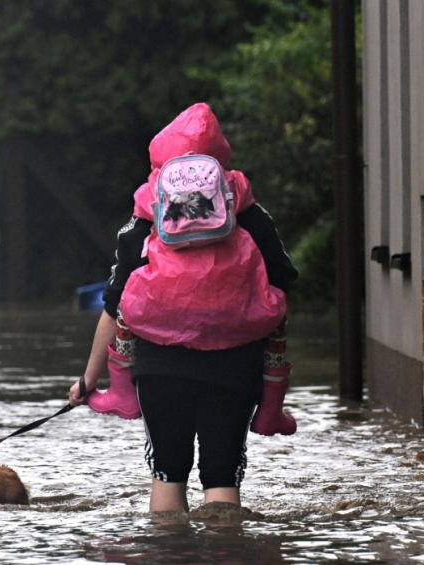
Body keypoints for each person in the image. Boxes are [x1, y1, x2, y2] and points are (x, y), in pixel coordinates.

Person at [69, 103, 298, 512]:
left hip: (159, 366)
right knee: (223, 475)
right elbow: (281, 284)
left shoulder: (144, 217)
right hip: (236, 363)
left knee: (167, 474)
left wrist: (89, 379)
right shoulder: (250, 213)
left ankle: (170, 553)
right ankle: (226, 553)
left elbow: (114, 304)